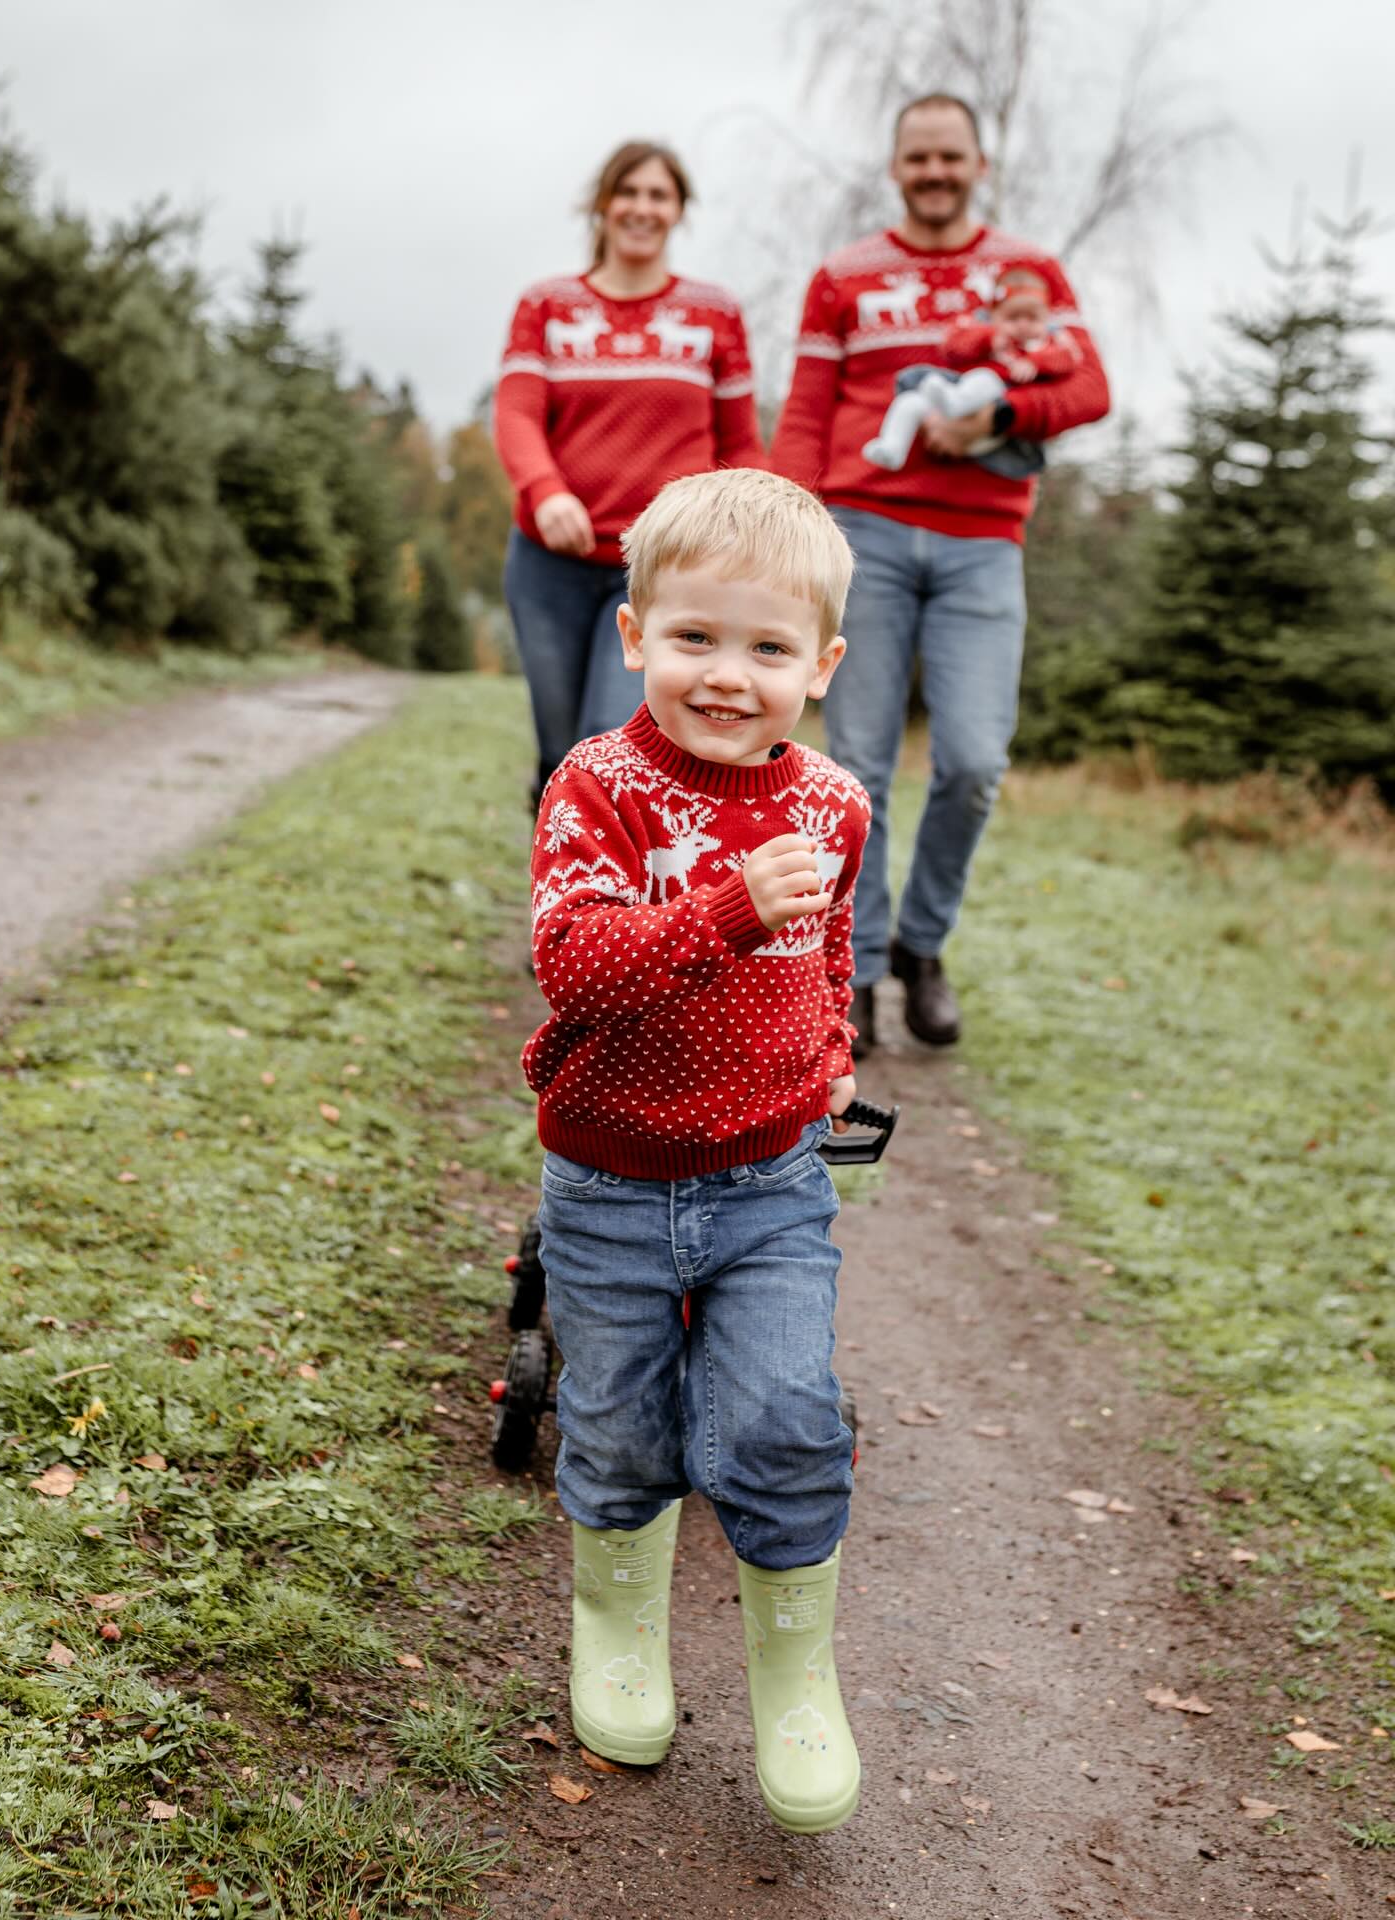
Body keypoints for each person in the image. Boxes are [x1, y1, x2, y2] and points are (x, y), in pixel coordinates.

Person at [523, 468, 870, 1834]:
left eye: (769, 648)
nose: (729, 676)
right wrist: (724, 908)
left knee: (787, 1414)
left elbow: (829, 951)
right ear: (634, 636)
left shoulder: (832, 805)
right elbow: (572, 963)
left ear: (822, 666)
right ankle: (619, 1629)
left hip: (770, 1182)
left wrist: (832, 1050)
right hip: (609, 1180)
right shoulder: (597, 787)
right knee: (618, 1425)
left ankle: (797, 1671)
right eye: (695, 638)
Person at [772, 94, 1110, 1051]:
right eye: (917, 156)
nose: (934, 172)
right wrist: (787, 525)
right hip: (864, 535)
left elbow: (1090, 387)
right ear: (895, 166)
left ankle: (921, 947)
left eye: (950, 156)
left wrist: (1000, 418)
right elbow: (808, 409)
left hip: (982, 546)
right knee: (859, 768)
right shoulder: (843, 277)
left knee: (972, 763)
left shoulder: (1029, 272)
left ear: (979, 165)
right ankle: (855, 975)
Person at [494, 141, 765, 804]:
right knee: (560, 746)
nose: (643, 208)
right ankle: (555, 853)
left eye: (659, 196)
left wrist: (758, 532)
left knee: (611, 744)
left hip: (662, 567)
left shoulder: (714, 314)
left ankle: (612, 869)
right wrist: (546, 492)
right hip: (550, 563)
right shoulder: (547, 306)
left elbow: (740, 445)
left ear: (679, 211)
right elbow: (517, 414)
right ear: (603, 205)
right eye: (629, 193)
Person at [863, 267, 1082, 479]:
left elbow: (1069, 358)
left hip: (997, 418)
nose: (1023, 325)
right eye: (1013, 318)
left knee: (985, 379)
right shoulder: (978, 329)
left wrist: (1035, 362)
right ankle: (892, 448)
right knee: (910, 402)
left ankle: (954, 401)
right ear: (993, 315)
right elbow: (952, 345)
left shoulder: (1048, 343)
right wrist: (988, 339)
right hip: (949, 406)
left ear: (1046, 318)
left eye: (1033, 319)